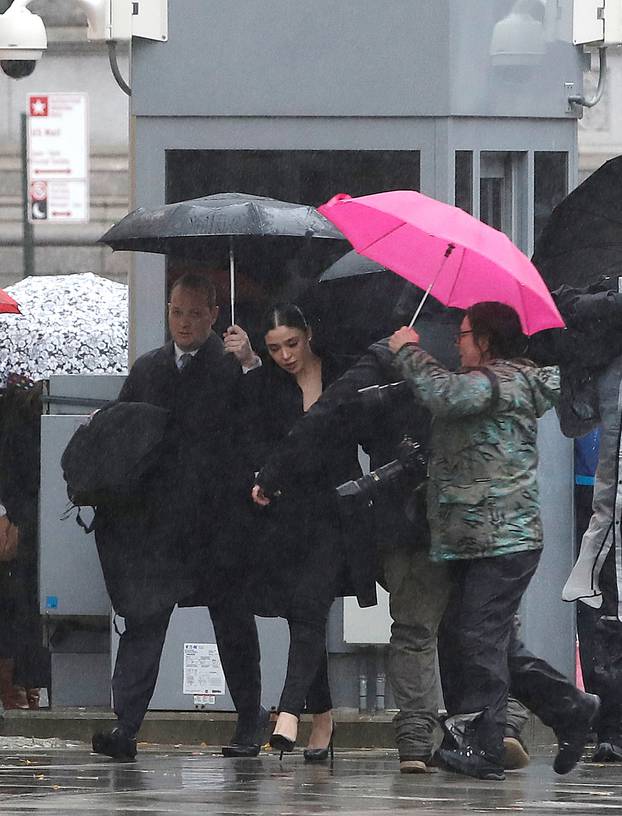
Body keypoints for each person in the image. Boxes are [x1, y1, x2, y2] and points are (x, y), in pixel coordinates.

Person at [388, 301, 599, 781]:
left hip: (502, 540)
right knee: (490, 642)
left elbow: (443, 395)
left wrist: (408, 351)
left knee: (479, 639)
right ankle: (570, 709)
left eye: (464, 334)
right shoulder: (506, 379)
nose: (458, 342)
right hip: (479, 540)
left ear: (486, 340)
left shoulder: (498, 380)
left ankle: (485, 745)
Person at [91, 272, 268, 761]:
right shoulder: (148, 368)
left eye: (195, 313)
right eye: (176, 312)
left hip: (218, 522)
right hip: (158, 525)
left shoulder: (231, 365)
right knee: (146, 619)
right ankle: (125, 726)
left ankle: (250, 720)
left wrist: (251, 363)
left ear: (214, 314)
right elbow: (122, 434)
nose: (184, 322)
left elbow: (263, 422)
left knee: (232, 621)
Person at [248, 303, 377, 760]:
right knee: (304, 615)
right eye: (274, 348)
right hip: (289, 517)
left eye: (292, 344)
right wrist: (247, 364)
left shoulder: (341, 373)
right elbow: (263, 444)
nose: (284, 355)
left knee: (307, 609)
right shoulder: (266, 385)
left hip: (337, 514)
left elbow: (364, 432)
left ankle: (287, 713)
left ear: (308, 335)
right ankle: (322, 718)